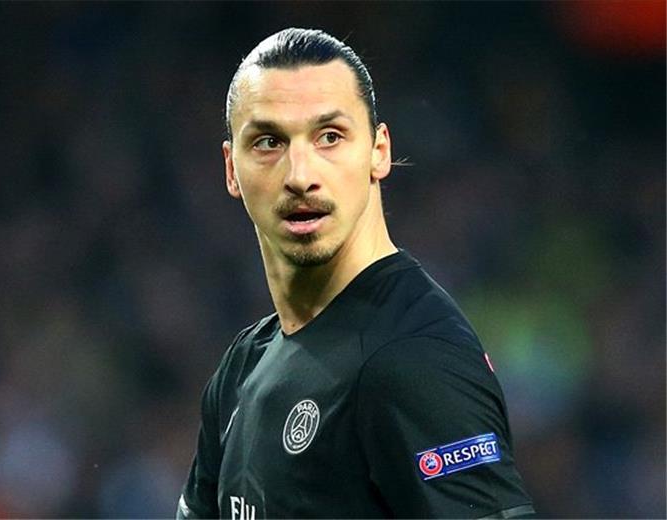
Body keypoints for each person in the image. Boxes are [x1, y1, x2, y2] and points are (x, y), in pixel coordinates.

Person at [177, 28, 534, 519]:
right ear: (231, 169)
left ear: (378, 151)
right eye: (268, 142)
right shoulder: (244, 365)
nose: (300, 176)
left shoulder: (413, 358)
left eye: (330, 137)